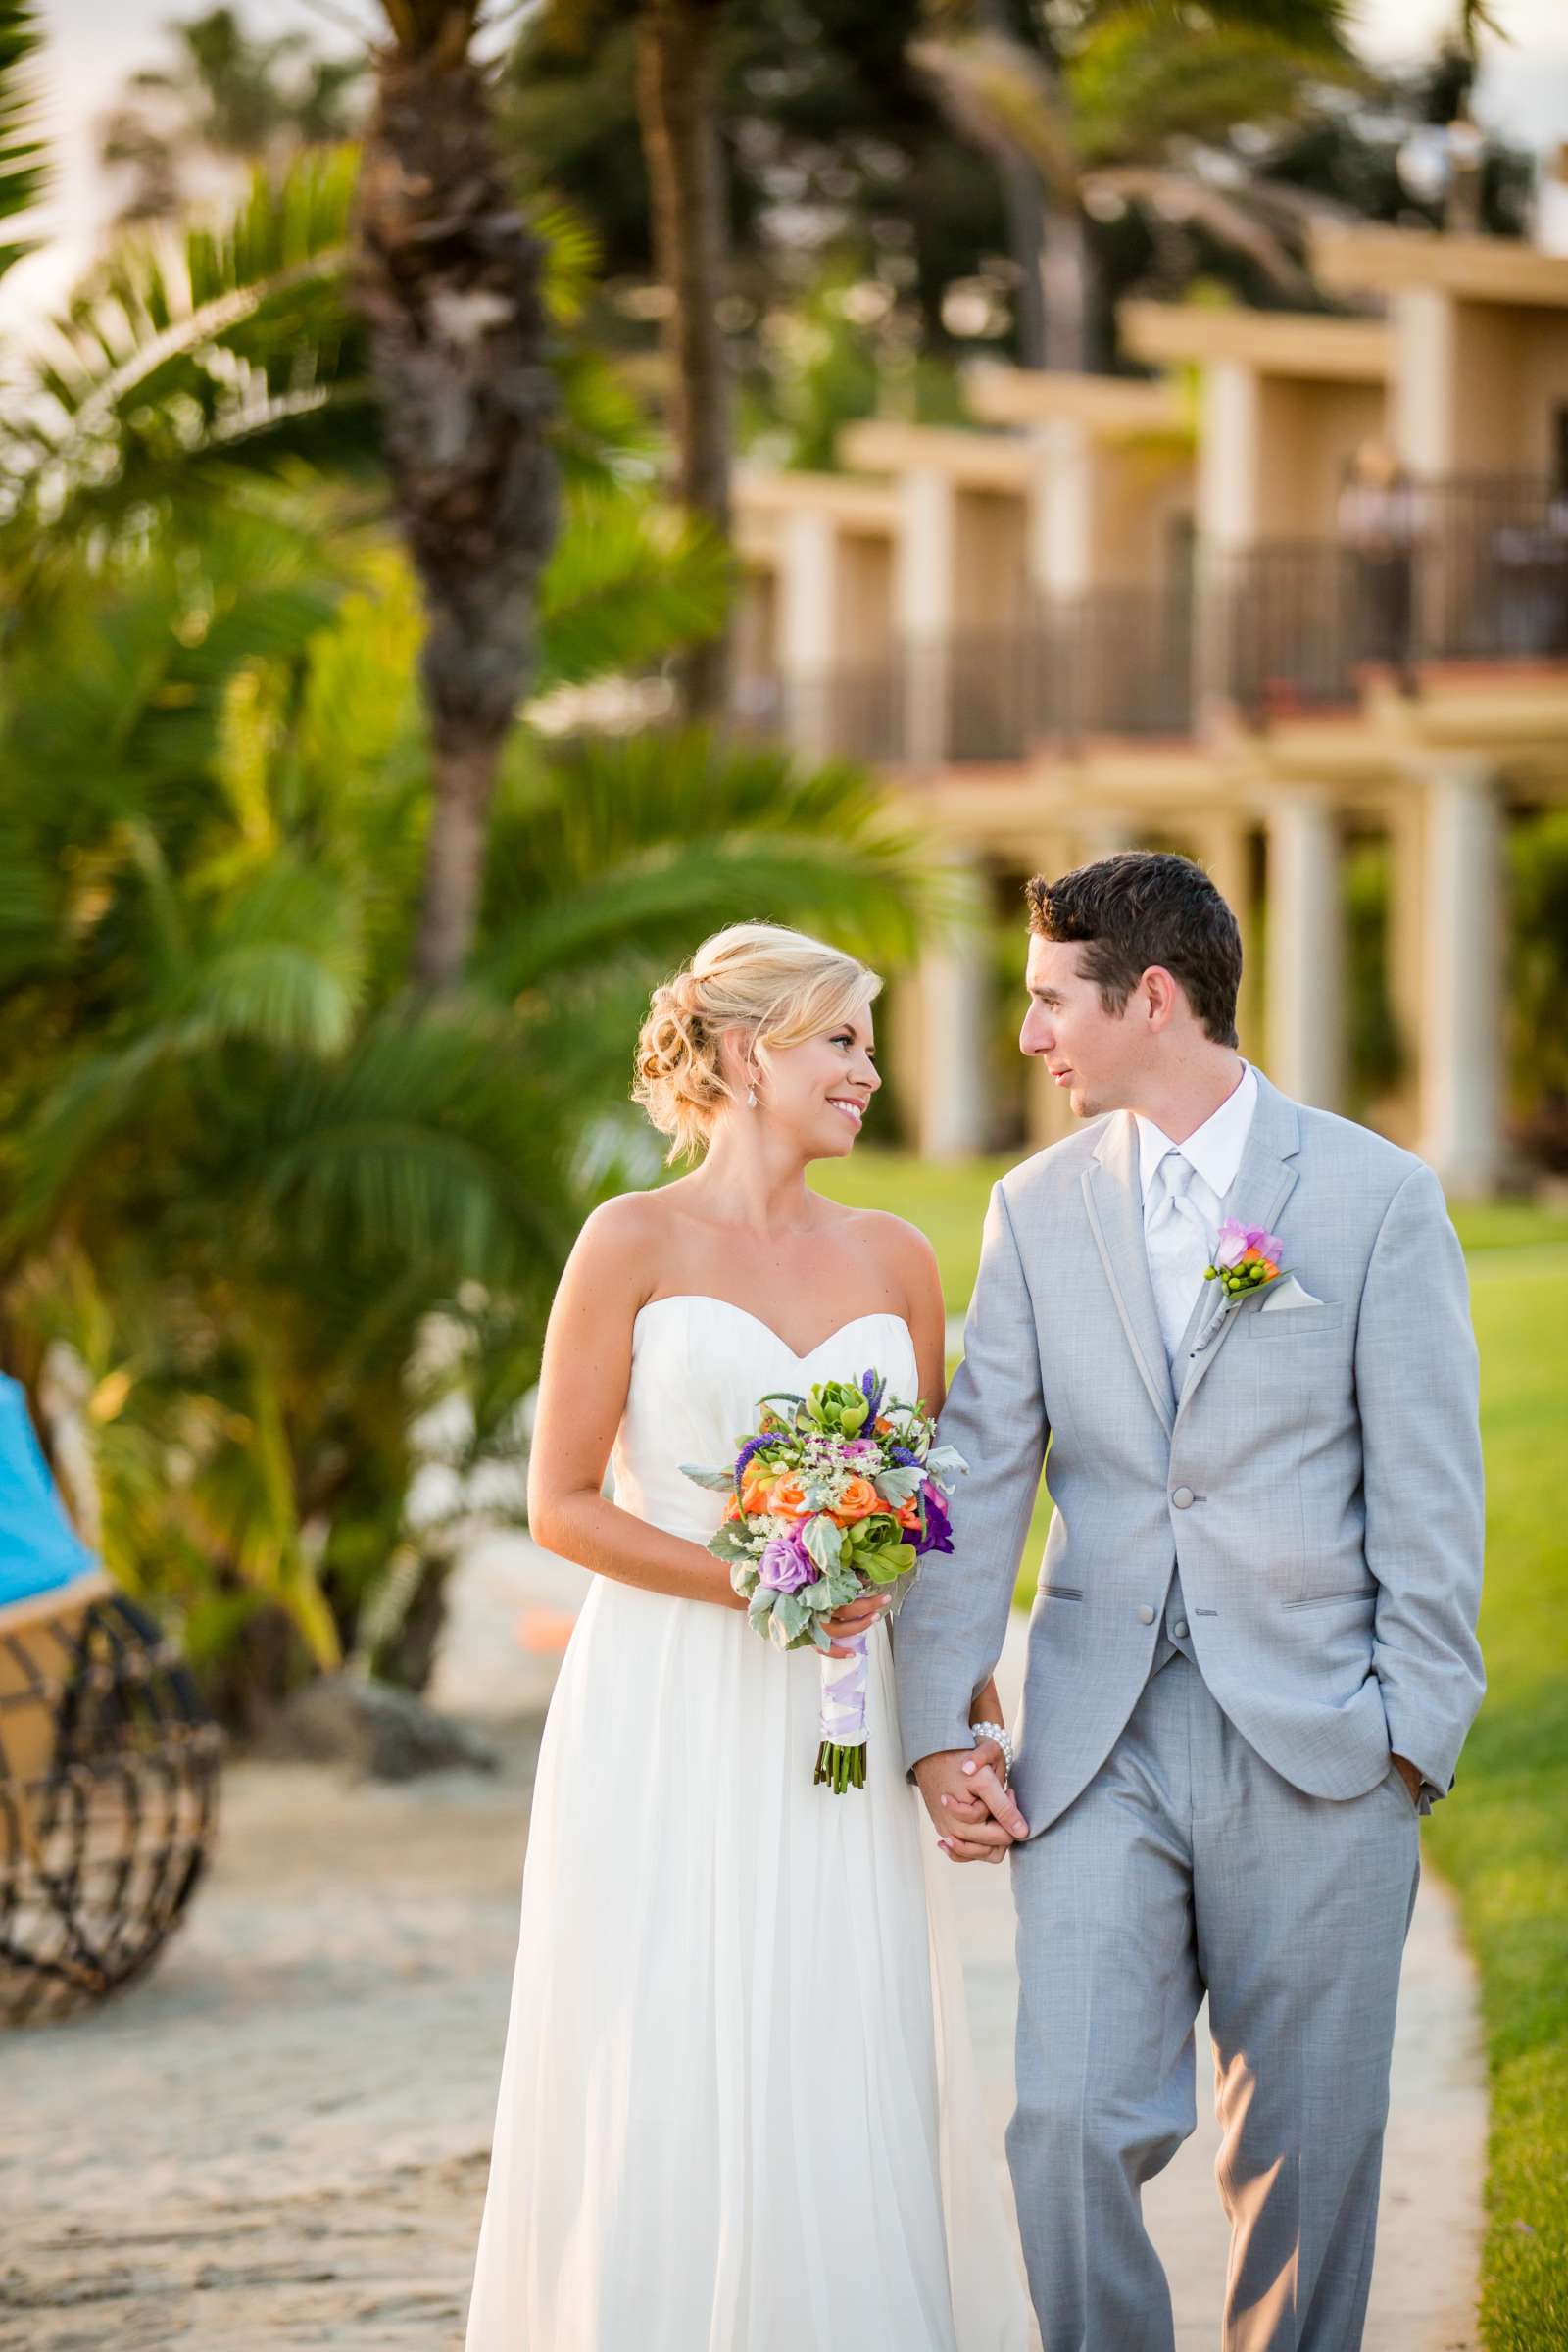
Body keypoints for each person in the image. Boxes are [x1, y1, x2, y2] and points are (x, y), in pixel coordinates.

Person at [896, 850, 1486, 2352]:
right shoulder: (1032, 1211)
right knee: (1069, 2127)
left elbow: (1430, 1489)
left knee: (1306, 2166)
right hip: (1099, 1745)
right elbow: (977, 1476)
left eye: (1049, 1004)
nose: (1029, 1037)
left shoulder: (1373, 1196)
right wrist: (933, 1724)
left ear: (1151, 998)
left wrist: (1413, 1734)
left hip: (1323, 1744)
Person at [464, 921, 1033, 2352]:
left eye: (867, 1039)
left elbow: (924, 1524)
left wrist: (952, 1702)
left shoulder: (900, 1260)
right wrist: (756, 1581)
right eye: (839, 1039)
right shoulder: (631, 1241)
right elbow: (563, 1503)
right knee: (665, 2032)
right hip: (663, 1701)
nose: (868, 1069)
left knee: (835, 2032)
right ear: (741, 1053)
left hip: (833, 1715)